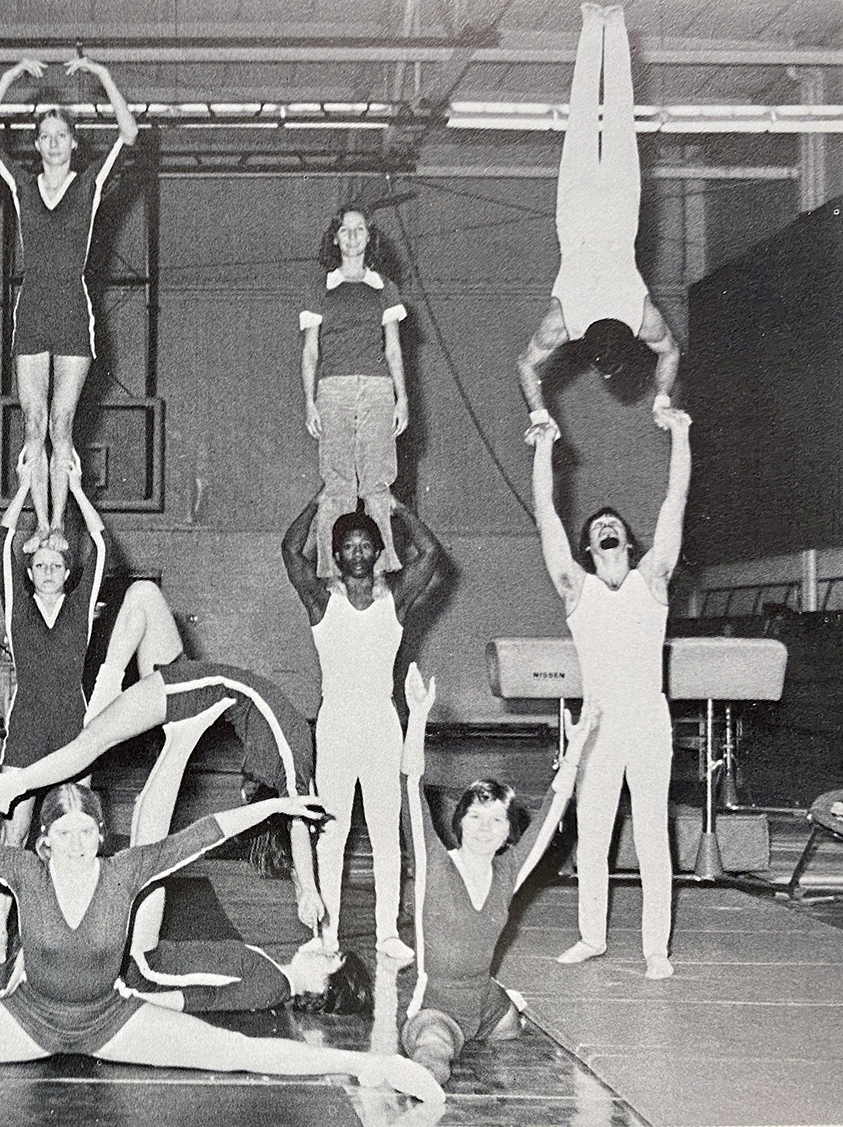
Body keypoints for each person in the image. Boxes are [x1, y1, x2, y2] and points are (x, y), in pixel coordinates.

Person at [0, 783, 443, 1104]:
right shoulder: (22, 870)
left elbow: (206, 835)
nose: (73, 842)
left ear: (101, 835)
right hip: (28, 1018)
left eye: (85, 831)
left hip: (110, 1019)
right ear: (45, 840)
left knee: (241, 1057)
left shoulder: (127, 870)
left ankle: (376, 1067)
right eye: (61, 832)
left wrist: (278, 806)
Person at [0, 608, 326, 933]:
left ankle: (104, 690)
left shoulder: (286, 762)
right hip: (197, 689)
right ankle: (15, 785)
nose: (246, 792)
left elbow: (295, 832)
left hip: (198, 685)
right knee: (91, 742)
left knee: (144, 597)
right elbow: (298, 821)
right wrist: (309, 889)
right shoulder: (294, 761)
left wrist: (306, 892)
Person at [529, 404, 692, 979]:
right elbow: (546, 514)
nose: (605, 523)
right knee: (592, 836)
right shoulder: (577, 591)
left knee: (652, 834)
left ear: (626, 538)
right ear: (590, 544)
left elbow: (675, 505)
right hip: (597, 725)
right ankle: (592, 937)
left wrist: (680, 437)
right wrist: (545, 446)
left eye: (613, 521)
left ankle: (655, 950)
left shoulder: (653, 581)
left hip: (648, 720)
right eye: (596, 525)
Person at [398, 663, 597, 1085]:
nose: (484, 828)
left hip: (488, 1002)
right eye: (475, 817)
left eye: (496, 821)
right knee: (434, 1055)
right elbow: (410, 785)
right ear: (459, 821)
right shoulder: (435, 862)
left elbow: (550, 816)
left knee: (525, 1043)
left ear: (509, 833)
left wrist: (576, 750)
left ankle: (510, 1013)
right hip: (437, 1006)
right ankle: (424, 1086)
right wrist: (417, 718)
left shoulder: (509, 870)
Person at [0, 57, 139, 554]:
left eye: (60, 135)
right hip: (32, 310)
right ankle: (40, 523)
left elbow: (128, 133)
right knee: (33, 424)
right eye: (44, 135)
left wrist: (104, 75)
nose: (52, 143)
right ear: (37, 143)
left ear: (72, 142)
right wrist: (4, 79)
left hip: (72, 309)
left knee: (62, 425)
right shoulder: (23, 186)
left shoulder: (88, 185)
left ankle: (60, 525)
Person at [282, 492, 443, 961]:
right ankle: (326, 933)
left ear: (379, 552)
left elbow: (431, 553)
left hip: (380, 724)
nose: (356, 554)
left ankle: (387, 932)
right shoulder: (320, 603)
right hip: (334, 726)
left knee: (385, 832)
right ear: (335, 555)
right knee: (332, 831)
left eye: (365, 546)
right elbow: (290, 551)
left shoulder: (395, 602)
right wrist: (318, 500)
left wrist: (397, 510)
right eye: (347, 547)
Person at [519, 3, 680, 441]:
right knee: (584, 118)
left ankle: (614, 22)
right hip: (576, 215)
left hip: (620, 210)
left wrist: (662, 398)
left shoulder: (641, 318)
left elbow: (670, 354)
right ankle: (594, 22)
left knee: (621, 118)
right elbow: (524, 366)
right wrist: (538, 414)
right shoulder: (564, 322)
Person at [0, 449, 106, 964]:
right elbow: (3, 541)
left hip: (75, 732)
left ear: (66, 571)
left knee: (76, 830)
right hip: (28, 732)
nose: (49, 570)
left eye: (57, 564)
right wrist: (25, 484)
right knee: (15, 835)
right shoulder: (18, 609)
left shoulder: (80, 607)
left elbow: (98, 544)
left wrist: (75, 488)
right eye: (40, 565)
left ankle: (74, 931)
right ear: (30, 573)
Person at [299, 206, 409, 575]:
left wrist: (402, 398)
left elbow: (393, 348)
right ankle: (331, 569)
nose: (352, 236)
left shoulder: (384, 287)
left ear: (368, 237)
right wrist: (310, 402)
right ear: (335, 237)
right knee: (338, 482)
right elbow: (310, 351)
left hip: (378, 388)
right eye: (345, 230)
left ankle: (386, 564)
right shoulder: (321, 287)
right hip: (333, 389)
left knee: (377, 481)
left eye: (359, 230)